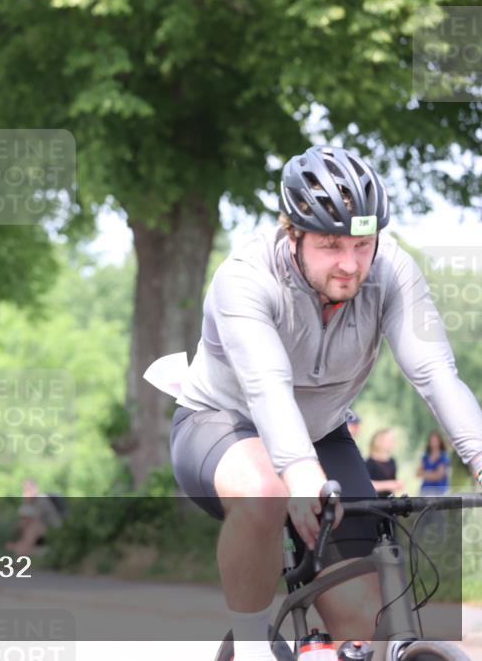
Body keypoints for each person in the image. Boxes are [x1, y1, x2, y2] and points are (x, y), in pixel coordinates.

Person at [169, 145, 482, 661]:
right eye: (331, 245)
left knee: (362, 620)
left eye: (362, 244)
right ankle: (251, 648)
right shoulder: (245, 278)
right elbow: (267, 385)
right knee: (266, 488)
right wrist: (297, 471)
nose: (349, 263)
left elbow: (435, 374)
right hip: (222, 426)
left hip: (323, 433)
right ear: (293, 234)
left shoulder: (391, 270)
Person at [5, 478, 64, 557]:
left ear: (35, 489)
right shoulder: (27, 502)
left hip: (51, 530)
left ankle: (20, 551)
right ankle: (23, 549)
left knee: (33, 526)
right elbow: (22, 522)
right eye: (24, 490)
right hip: (37, 532)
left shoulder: (42, 500)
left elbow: (34, 519)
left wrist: (28, 504)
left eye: (28, 490)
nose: (25, 492)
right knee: (25, 525)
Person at [364, 428, 403, 498]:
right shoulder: (369, 463)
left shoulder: (392, 461)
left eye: (393, 440)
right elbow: (366, 485)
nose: (392, 442)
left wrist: (397, 485)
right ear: (379, 441)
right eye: (389, 440)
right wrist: (390, 484)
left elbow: (392, 484)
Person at [417, 430, 450, 496]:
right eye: (432, 440)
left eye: (435, 440)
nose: (433, 442)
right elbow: (418, 473)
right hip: (425, 490)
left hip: (439, 490)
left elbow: (439, 475)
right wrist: (432, 474)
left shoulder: (443, 457)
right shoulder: (425, 457)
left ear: (440, 441)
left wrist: (425, 473)